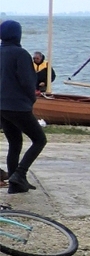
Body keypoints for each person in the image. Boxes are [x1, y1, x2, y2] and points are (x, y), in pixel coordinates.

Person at [0, 20, 47, 194]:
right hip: (18, 106)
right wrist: (31, 99)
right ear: (17, 34)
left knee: (15, 142)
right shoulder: (20, 54)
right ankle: (19, 174)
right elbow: (28, 82)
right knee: (39, 139)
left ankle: (15, 185)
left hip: (2, 107)